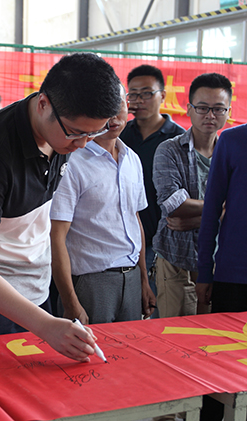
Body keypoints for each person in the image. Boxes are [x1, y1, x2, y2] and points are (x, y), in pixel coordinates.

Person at [0, 53, 122, 362]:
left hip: (36, 291)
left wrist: (47, 320)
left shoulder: (61, 133)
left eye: (93, 133)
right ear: (43, 104)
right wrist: (46, 326)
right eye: (76, 132)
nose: (82, 144)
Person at [50, 85, 155, 324]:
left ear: (128, 105)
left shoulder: (132, 159)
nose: (113, 117)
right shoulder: (72, 161)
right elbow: (56, 235)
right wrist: (70, 301)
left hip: (131, 278)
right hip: (91, 282)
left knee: (131, 346)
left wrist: (143, 279)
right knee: (90, 347)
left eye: (118, 105)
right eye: (103, 109)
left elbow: (135, 220)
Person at [152, 73, 232, 318]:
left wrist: (199, 218)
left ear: (228, 111)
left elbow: (239, 208)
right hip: (177, 258)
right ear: (189, 109)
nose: (210, 115)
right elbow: (173, 204)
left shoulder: (233, 153)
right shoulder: (169, 150)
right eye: (202, 108)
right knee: (177, 332)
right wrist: (221, 210)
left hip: (220, 261)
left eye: (218, 109)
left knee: (215, 332)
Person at [120, 65, 186, 316]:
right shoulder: (120, 136)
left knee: (161, 312)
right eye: (133, 94)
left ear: (163, 96)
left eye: (147, 93)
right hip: (129, 240)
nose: (139, 100)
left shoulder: (178, 140)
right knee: (131, 314)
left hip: (166, 242)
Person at [196, 123, 247, 421]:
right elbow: (211, 209)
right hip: (233, 276)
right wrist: (205, 271)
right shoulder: (232, 140)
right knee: (218, 367)